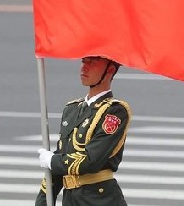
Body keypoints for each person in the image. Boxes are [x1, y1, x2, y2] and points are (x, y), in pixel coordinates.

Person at [36, 56, 132, 206]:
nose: (84, 67)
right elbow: (62, 159)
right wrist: (43, 201)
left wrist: (53, 161)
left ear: (110, 69)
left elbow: (91, 161)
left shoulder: (114, 111)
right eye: (84, 61)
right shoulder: (72, 109)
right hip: (71, 200)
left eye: (92, 63)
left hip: (99, 200)